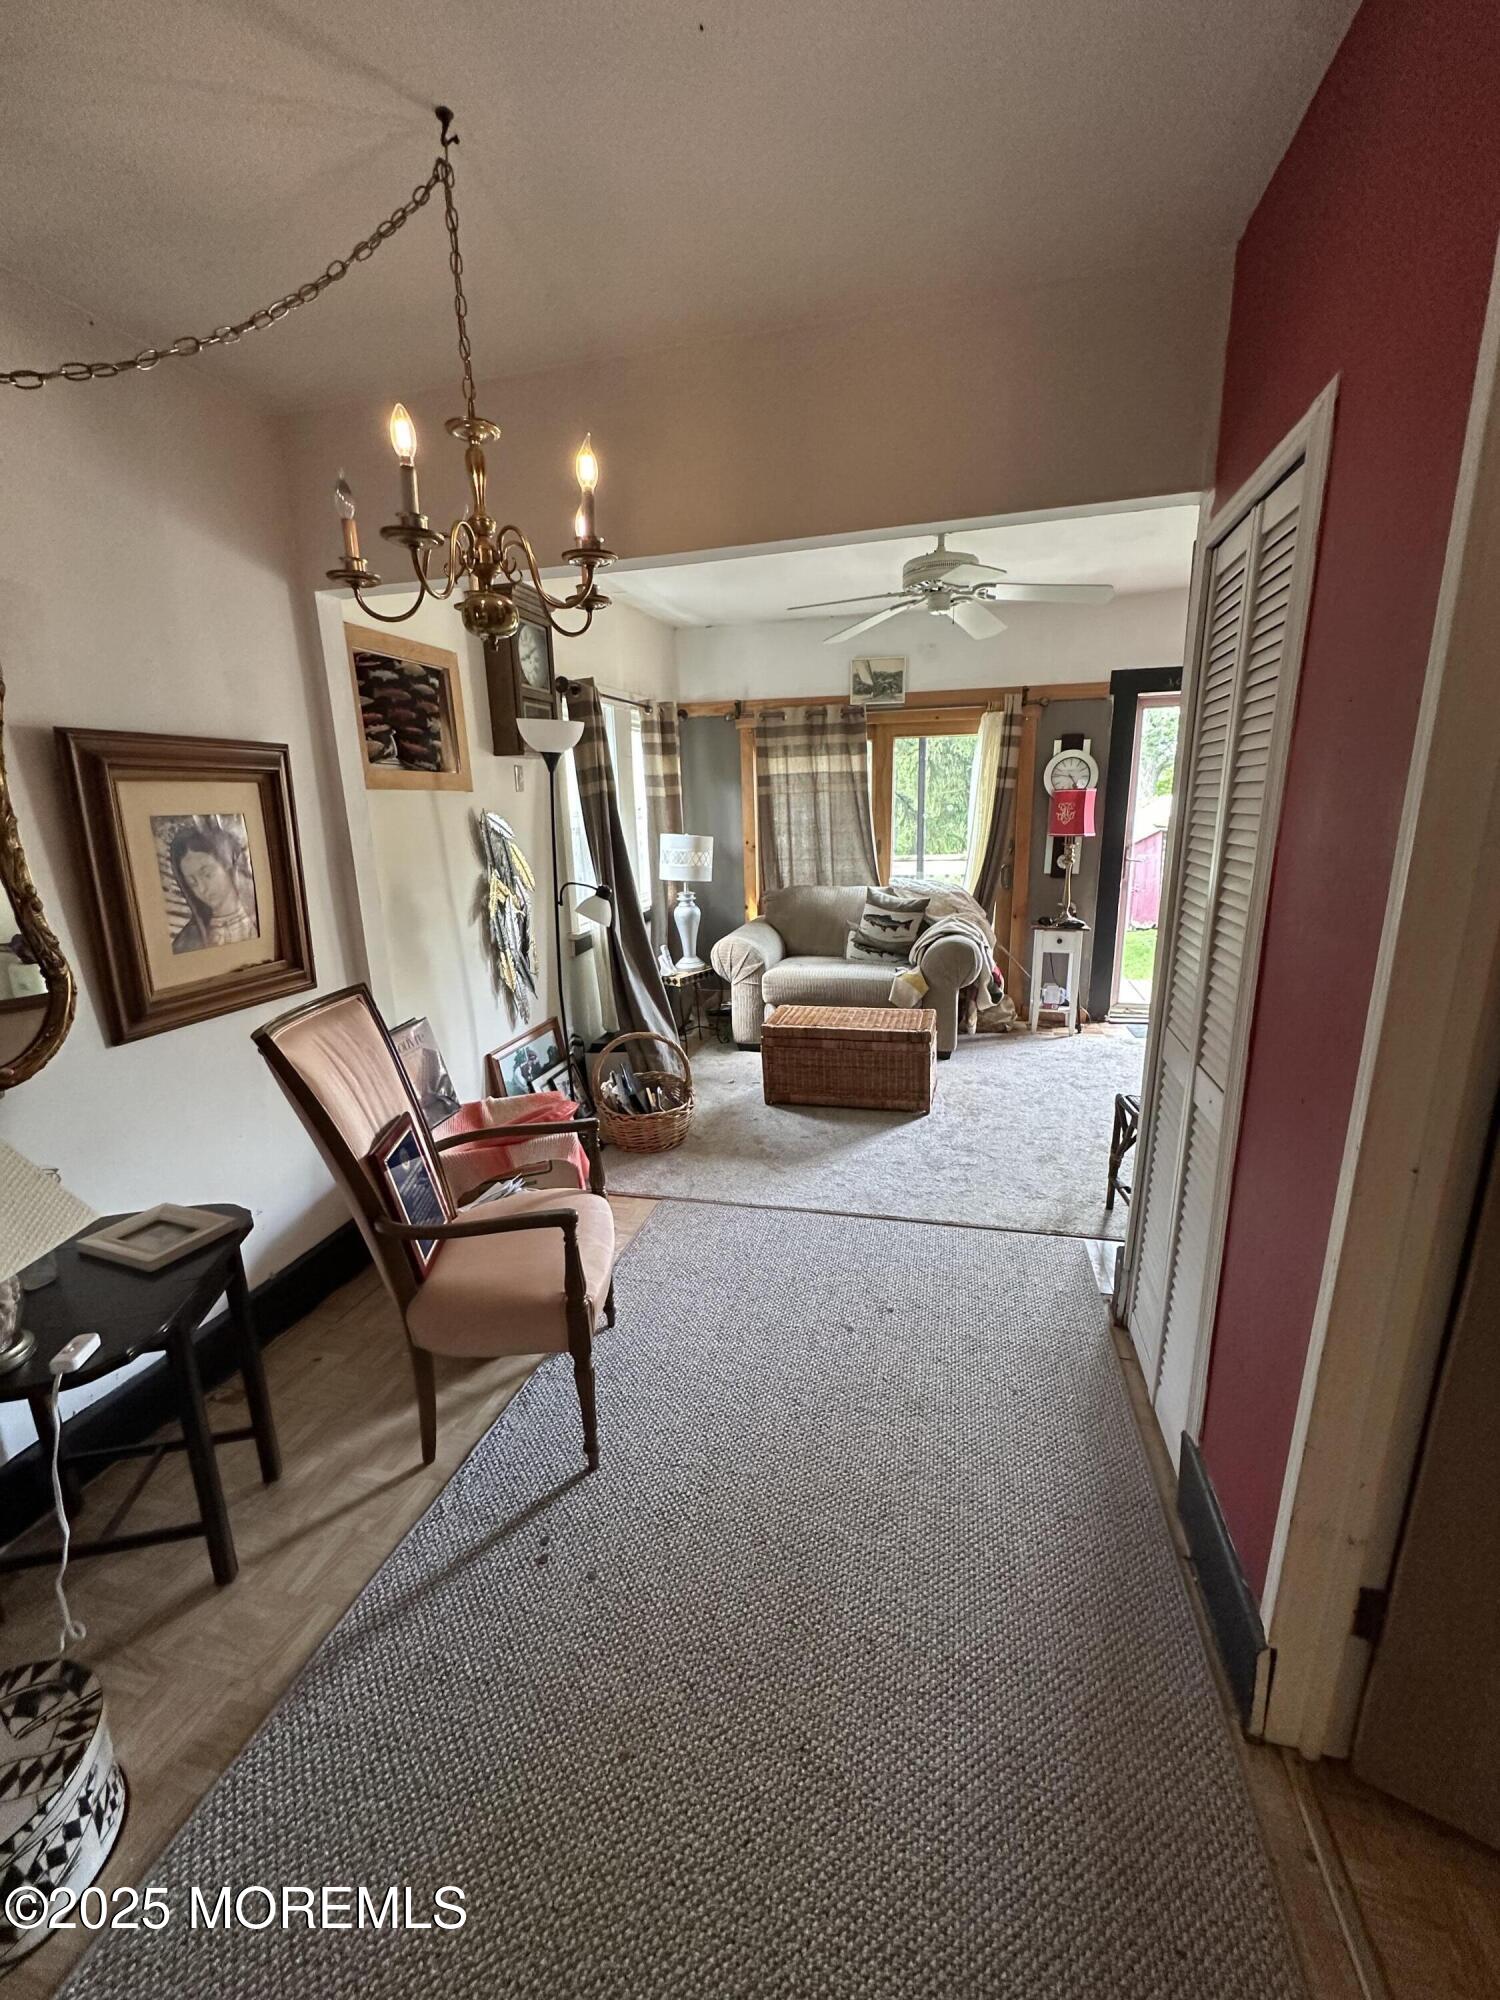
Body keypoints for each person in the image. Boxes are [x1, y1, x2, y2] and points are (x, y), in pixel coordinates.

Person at [168, 821, 258, 953]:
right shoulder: (187, 942)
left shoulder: (260, 918)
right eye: (192, 883)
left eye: (207, 874)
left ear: (228, 864)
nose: (202, 888)